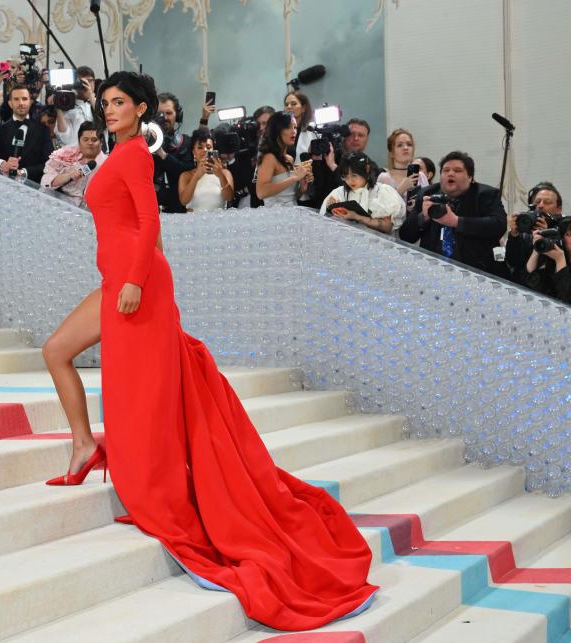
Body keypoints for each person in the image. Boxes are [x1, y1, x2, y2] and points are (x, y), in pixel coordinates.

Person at [41, 70, 377, 631]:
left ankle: (152, 485)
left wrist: (136, 280)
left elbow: (151, 222)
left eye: (120, 102)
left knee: (142, 392)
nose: (110, 109)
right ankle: (83, 445)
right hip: (121, 279)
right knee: (57, 351)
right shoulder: (116, 156)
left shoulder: (134, 154)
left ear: (141, 107)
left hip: (135, 284)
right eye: (105, 103)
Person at [398, 151, 508, 277]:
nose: (450, 173)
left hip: (476, 272)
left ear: (471, 177)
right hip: (434, 272)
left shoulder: (486, 194)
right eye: (445, 170)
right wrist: (423, 216)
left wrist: (456, 222)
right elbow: (405, 236)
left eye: (457, 170)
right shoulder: (427, 194)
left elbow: (498, 226)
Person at [0, 84, 52, 182]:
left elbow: (49, 163)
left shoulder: (43, 130)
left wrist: (24, 172)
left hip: (34, 186)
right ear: (10, 103)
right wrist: (3, 164)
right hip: (5, 185)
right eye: (16, 99)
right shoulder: (0, 129)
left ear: (30, 102)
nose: (21, 103)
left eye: (24, 99)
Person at [321, 152, 405, 234]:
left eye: (354, 175)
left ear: (367, 170)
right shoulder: (339, 192)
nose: (350, 180)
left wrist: (356, 217)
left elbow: (387, 226)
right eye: (346, 176)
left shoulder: (381, 192)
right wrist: (332, 209)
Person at [505, 182, 564, 284]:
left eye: (547, 202)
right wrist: (514, 235)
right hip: (521, 284)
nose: (540, 205)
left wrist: (547, 236)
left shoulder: (565, 230)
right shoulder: (525, 226)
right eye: (537, 202)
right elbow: (513, 262)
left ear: (559, 209)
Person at [41, 120, 106, 208]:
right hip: (55, 204)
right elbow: (45, 181)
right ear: (79, 141)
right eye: (85, 139)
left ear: (101, 142)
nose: (90, 143)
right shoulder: (66, 153)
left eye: (94, 140)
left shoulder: (108, 163)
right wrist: (68, 176)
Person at [254, 111, 311, 207]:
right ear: (277, 130)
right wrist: (294, 178)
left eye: (295, 127)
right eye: (288, 127)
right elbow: (261, 192)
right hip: (275, 216)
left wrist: (302, 187)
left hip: (293, 212)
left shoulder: (290, 159)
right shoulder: (269, 158)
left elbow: (291, 197)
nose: (294, 131)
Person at [152, 91, 193, 212]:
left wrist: (162, 154)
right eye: (159, 113)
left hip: (179, 211)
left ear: (177, 115)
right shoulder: (142, 142)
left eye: (169, 113)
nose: (164, 117)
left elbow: (186, 173)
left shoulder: (186, 142)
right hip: (151, 212)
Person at [178, 128, 233, 212]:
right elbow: (184, 201)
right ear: (193, 152)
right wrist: (197, 176)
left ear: (213, 150)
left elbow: (229, 198)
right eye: (200, 147)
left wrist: (220, 175)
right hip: (194, 222)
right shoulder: (186, 175)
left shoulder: (225, 173)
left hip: (220, 221)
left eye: (208, 147)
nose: (204, 150)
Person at [377, 128, 429, 196]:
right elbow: (382, 205)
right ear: (391, 153)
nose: (405, 148)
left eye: (409, 144)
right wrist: (401, 189)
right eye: (399, 145)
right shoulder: (384, 178)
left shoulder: (421, 176)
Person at [283, 90, 318, 161]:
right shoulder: (280, 131)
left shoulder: (312, 131)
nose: (289, 107)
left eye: (293, 104)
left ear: (303, 108)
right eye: (286, 105)